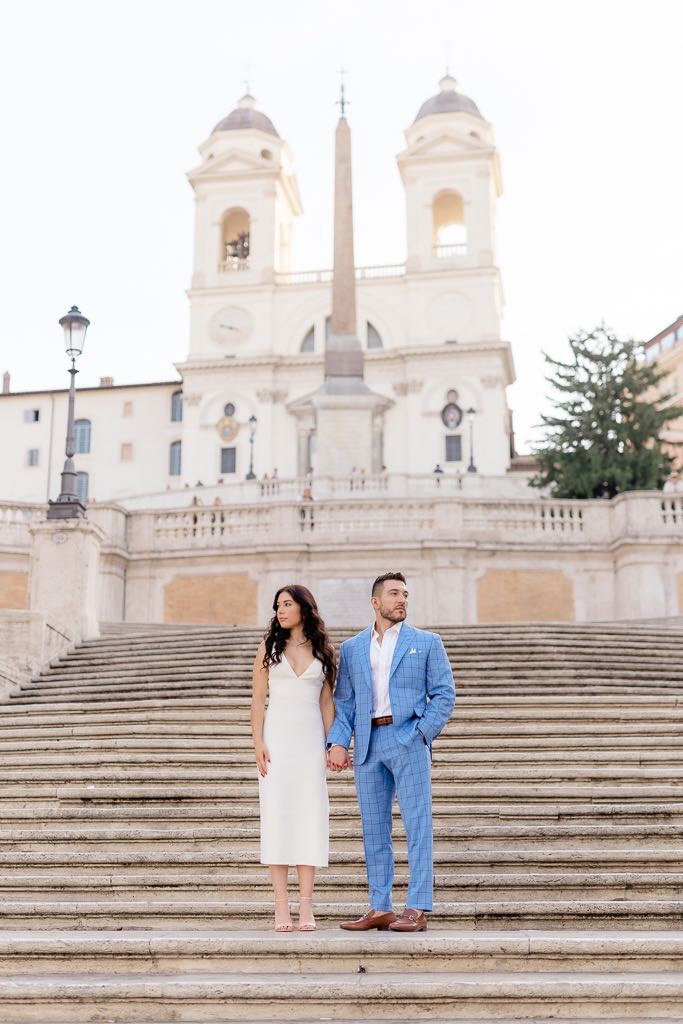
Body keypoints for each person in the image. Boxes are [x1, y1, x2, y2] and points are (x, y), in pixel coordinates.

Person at [327, 571, 455, 933]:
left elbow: (444, 694)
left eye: (405, 594)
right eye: (394, 594)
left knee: (417, 824)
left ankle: (416, 906)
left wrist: (420, 733)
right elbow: (345, 702)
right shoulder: (352, 649)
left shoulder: (427, 642)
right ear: (375, 602)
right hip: (368, 744)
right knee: (374, 829)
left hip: (407, 739)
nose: (402, 600)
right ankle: (380, 906)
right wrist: (338, 741)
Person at [251, 584, 336, 932]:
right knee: (277, 817)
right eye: (277, 605)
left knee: (310, 818)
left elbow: (327, 703)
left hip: (310, 742)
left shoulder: (323, 649)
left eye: (287, 604)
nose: (280, 610)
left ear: (304, 607)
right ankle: (281, 906)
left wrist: (334, 745)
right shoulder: (269, 647)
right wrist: (258, 742)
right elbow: (257, 700)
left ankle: (306, 906)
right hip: (278, 741)